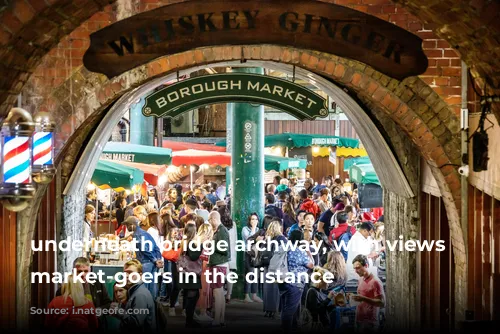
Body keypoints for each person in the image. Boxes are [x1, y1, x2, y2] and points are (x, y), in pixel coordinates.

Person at [55, 257, 111, 328]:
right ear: (73, 271)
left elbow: (108, 304)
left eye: (86, 271)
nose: (83, 274)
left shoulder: (98, 285)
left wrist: (98, 310)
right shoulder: (63, 289)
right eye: (79, 271)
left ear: (90, 271)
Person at [280, 229, 314, 333]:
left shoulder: (284, 248)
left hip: (283, 281)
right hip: (295, 283)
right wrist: (308, 250)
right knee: (290, 310)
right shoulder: (299, 251)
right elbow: (311, 264)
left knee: (288, 308)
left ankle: (293, 327)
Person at [110, 259, 157, 332]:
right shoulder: (135, 292)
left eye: (130, 273)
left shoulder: (140, 295)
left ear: (140, 275)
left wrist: (118, 311)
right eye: (125, 273)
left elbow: (135, 323)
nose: (127, 276)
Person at [122, 216, 163, 299]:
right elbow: (156, 247)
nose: (127, 227)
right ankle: (153, 305)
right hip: (152, 263)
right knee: (152, 286)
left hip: (146, 263)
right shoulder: (144, 233)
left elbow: (144, 249)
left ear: (132, 225)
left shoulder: (137, 234)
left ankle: (145, 305)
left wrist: (155, 260)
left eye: (127, 225)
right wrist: (157, 259)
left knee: (144, 288)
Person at [177, 223, 203, 328]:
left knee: (189, 295)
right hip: (191, 273)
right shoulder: (192, 243)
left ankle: (189, 319)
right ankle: (189, 320)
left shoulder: (184, 241)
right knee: (193, 296)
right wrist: (200, 246)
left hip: (185, 272)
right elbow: (193, 256)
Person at [208, 211, 230, 327]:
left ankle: (217, 319)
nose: (209, 222)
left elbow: (224, 249)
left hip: (218, 263)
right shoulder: (221, 230)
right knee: (220, 292)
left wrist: (211, 246)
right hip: (220, 263)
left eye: (209, 220)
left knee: (217, 292)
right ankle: (220, 318)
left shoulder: (221, 231)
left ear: (214, 219)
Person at [351, 254, 385, 332]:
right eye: (354, 268)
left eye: (358, 268)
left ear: (366, 265)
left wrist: (363, 298)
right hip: (359, 319)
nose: (356, 271)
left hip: (370, 323)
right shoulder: (360, 279)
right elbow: (361, 297)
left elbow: (382, 303)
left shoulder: (375, 282)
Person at [263, 220, 286, 318]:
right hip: (277, 266)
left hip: (267, 265)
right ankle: (275, 310)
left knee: (267, 289)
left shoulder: (268, 239)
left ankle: (267, 310)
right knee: (276, 289)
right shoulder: (282, 239)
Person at [196, 223, 214, 322]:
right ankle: (203, 313)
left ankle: (202, 312)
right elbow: (205, 258)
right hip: (204, 269)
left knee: (202, 291)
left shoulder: (197, 241)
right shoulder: (206, 243)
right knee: (204, 291)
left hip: (198, 269)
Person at [242, 213, 261, 303]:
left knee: (256, 274)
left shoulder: (259, 230)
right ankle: (246, 295)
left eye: (256, 219)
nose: (254, 221)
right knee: (249, 273)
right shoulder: (245, 229)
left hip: (257, 254)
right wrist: (254, 232)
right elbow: (248, 240)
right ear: (249, 220)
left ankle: (254, 295)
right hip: (248, 253)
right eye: (252, 219)